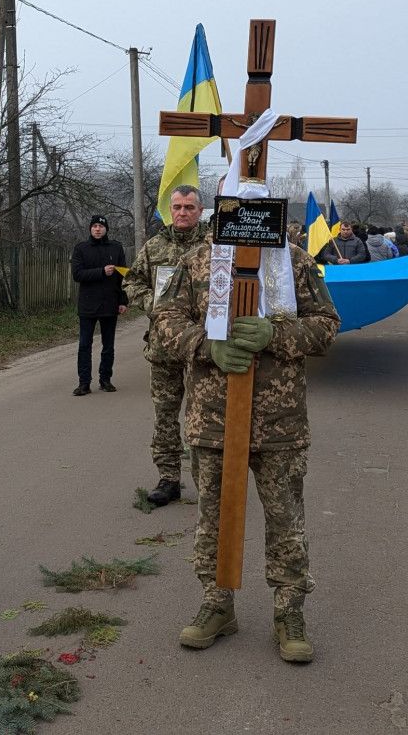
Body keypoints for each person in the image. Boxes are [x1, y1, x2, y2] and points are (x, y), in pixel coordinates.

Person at [153, 228, 340, 662]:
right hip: (213, 419)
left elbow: (327, 325)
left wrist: (276, 336)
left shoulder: (293, 262)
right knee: (214, 517)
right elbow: (164, 319)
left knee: (285, 521)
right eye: (233, 201)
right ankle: (217, 604)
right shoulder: (197, 260)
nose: (243, 210)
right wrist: (205, 345)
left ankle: (289, 613)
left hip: (280, 422)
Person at [123, 185, 208, 506]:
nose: (182, 212)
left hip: (203, 348)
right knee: (165, 416)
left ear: (201, 211)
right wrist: (153, 303)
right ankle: (169, 478)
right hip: (163, 348)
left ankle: (207, 481)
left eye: (189, 207)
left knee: (202, 418)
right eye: (177, 207)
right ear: (169, 211)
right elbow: (131, 281)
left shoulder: (214, 247)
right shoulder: (154, 247)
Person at [71, 214, 128, 395]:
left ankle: (105, 379)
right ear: (90, 228)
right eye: (94, 226)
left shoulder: (116, 248)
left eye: (101, 227)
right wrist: (101, 272)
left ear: (106, 229)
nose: (97, 229)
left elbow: (123, 277)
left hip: (109, 303)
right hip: (88, 304)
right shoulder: (81, 249)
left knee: (108, 345)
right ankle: (84, 382)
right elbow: (78, 275)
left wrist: (123, 301)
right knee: (84, 345)